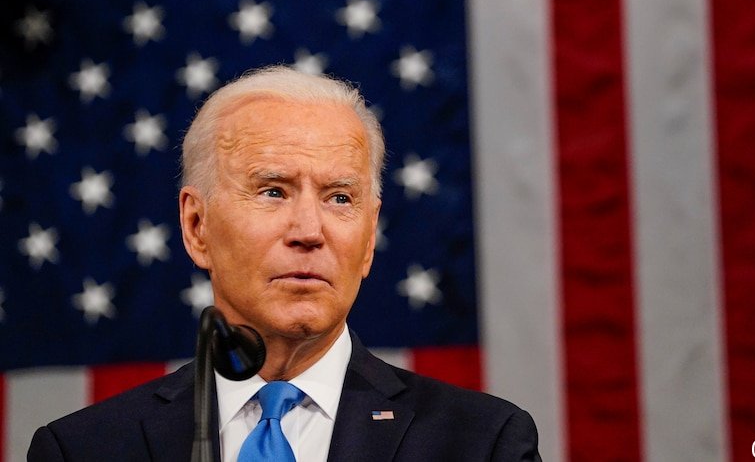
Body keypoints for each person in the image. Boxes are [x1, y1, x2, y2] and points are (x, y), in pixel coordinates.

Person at [27, 65, 541, 461]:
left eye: (340, 198)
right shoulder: (84, 450)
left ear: (368, 241)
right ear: (196, 226)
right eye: (273, 191)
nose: (309, 231)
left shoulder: (481, 444)